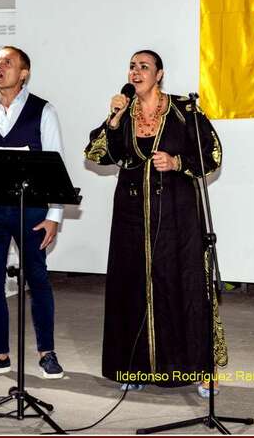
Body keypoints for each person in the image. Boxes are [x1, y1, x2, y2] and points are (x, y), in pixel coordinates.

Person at [84, 50, 227, 397]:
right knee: (132, 288)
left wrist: (178, 162)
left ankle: (199, 371)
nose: (136, 72)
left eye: (144, 67)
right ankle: (134, 367)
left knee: (183, 287)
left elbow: (213, 154)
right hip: (131, 217)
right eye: (132, 66)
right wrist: (114, 120)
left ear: (159, 74)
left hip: (177, 216)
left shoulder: (184, 110)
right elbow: (95, 154)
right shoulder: (123, 112)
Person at [0, 46, 65, 380]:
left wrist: (54, 216)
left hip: (31, 211)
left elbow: (56, 165)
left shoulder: (43, 111)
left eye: (8, 62)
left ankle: (47, 353)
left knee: (38, 279)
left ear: (23, 74)